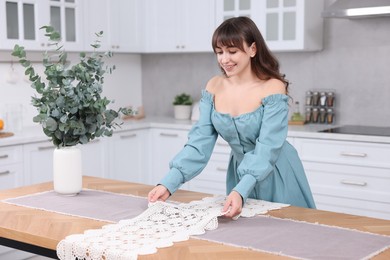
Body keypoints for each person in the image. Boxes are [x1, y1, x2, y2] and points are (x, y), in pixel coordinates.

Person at [148, 16, 316, 219]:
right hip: (239, 175)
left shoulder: (272, 87)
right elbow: (199, 143)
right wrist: (168, 182)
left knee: (288, 236)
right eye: (219, 52)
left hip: (277, 172)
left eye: (232, 51)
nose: (224, 59)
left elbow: (268, 147)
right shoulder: (214, 87)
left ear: (252, 49)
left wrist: (241, 189)